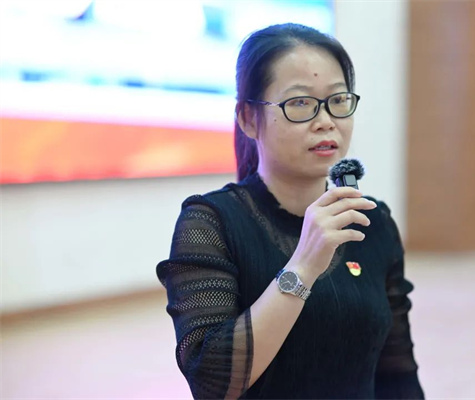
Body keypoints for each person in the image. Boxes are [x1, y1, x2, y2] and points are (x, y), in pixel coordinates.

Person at [156, 23, 425, 399]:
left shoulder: (372, 221)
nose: (326, 121)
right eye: (300, 103)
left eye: (338, 100)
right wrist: (303, 266)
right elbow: (212, 381)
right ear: (248, 118)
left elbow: (398, 375)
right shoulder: (210, 223)